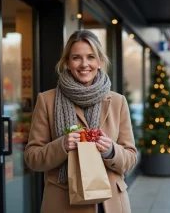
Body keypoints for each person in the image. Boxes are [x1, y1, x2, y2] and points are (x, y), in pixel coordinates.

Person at [24, 30, 137, 213]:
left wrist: (110, 150)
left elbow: (130, 158)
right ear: (67, 63)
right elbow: (32, 157)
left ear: (99, 62)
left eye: (91, 57)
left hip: (109, 204)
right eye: (76, 57)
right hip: (63, 203)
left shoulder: (117, 101)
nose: (84, 64)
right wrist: (62, 145)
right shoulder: (47, 100)